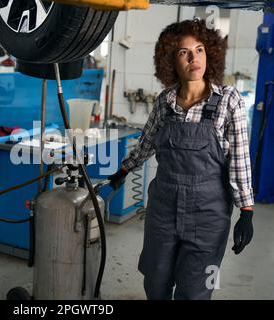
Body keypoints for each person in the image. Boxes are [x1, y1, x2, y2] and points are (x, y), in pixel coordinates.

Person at [108, 19, 254, 300]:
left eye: (199, 50)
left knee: (195, 289)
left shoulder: (228, 101)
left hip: (208, 214)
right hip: (163, 208)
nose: (193, 58)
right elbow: (146, 144)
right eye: (183, 52)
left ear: (209, 53)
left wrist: (246, 212)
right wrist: (124, 170)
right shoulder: (165, 102)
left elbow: (240, 160)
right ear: (171, 62)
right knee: (155, 281)